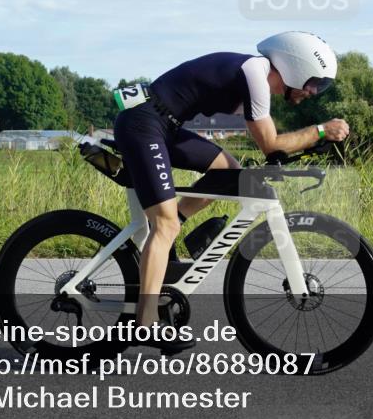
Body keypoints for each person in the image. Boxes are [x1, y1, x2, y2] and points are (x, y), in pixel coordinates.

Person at [113, 31, 350, 350]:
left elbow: (272, 147)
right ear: (296, 66)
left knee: (229, 171)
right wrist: (320, 131)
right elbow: (270, 144)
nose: (313, 92)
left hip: (163, 124)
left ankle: (175, 226)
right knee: (163, 225)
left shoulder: (257, 76)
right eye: (314, 83)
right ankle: (145, 323)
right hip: (144, 123)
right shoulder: (255, 73)